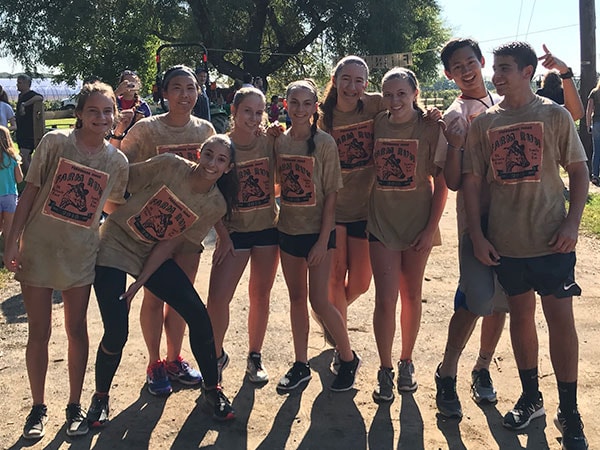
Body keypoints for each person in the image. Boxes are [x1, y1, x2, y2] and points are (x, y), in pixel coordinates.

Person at [435, 39, 586, 420]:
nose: (490, 74)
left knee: (540, 317)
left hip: (548, 239)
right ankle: (461, 375)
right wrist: (479, 235)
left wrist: (572, 222)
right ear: (449, 73)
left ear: (526, 72)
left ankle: (561, 407)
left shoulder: (550, 114)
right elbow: (462, 181)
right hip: (492, 235)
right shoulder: (468, 118)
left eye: (500, 67)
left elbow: (577, 161)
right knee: (484, 304)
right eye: (458, 65)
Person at [3, 81, 129, 439]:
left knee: (77, 330)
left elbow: (113, 207)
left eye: (107, 112)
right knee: (38, 331)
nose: (101, 118)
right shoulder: (55, 144)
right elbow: (28, 193)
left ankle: (74, 405)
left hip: (81, 254)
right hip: (40, 248)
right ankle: (37, 407)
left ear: (115, 116)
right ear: (79, 113)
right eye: (93, 110)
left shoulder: (116, 161)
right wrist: (13, 243)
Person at [88, 134, 238, 426]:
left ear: (228, 168)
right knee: (117, 330)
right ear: (198, 153)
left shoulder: (214, 205)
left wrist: (139, 283)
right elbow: (122, 182)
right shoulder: (170, 166)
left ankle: (212, 389)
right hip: (115, 244)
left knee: (198, 315)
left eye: (221, 159)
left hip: (151, 253)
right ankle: (100, 397)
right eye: (208, 154)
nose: (212, 163)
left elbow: (168, 244)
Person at [110, 65, 215, 396]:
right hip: (151, 232)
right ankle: (155, 363)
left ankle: (174, 359)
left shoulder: (206, 130)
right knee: (154, 298)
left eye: (191, 88)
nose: (185, 95)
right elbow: (119, 170)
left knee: (183, 299)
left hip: (188, 234)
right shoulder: (146, 131)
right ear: (164, 93)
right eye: (177, 88)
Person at [275, 79, 361, 393]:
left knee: (320, 301)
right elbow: (276, 184)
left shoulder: (324, 143)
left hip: (318, 234)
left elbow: (331, 197)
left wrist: (323, 241)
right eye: (293, 102)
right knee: (296, 299)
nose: (300, 109)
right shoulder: (280, 142)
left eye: (306, 103)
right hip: (288, 231)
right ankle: (301, 364)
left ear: (315, 107)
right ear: (286, 105)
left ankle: (348, 357)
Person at [369, 68, 448, 402]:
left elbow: (441, 183)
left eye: (402, 93)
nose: (395, 100)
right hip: (381, 221)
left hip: (417, 221)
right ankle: (385, 369)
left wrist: (431, 230)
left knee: (411, 295)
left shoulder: (430, 127)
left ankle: (406, 361)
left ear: (415, 92)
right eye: (388, 94)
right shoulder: (377, 122)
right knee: (385, 298)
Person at [207, 87, 278, 384]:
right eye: (247, 111)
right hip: (233, 233)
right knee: (217, 300)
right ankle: (216, 356)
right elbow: (207, 193)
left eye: (259, 112)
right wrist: (222, 234)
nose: (253, 117)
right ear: (234, 111)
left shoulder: (271, 142)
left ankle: (255, 356)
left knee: (260, 295)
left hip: (266, 230)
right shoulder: (222, 146)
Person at [316, 56, 381, 362]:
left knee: (361, 283)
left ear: (366, 85)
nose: (352, 86)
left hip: (367, 209)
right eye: (346, 79)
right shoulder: (324, 118)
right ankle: (343, 350)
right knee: (334, 277)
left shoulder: (376, 106)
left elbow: (406, 106)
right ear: (335, 80)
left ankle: (329, 313)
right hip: (334, 209)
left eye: (359, 81)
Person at [15, 75, 43, 174]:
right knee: (27, 156)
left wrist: (24, 104)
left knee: (23, 155)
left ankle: (29, 177)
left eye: (20, 83)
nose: (17, 85)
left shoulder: (31, 95)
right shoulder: (20, 96)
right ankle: (31, 176)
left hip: (28, 131)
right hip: (21, 130)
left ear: (27, 84)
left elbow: (40, 97)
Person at [112, 70, 152, 139]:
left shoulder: (142, 105)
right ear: (121, 85)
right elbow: (101, 105)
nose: (131, 85)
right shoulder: (114, 101)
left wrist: (143, 122)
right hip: (114, 139)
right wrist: (117, 91)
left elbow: (151, 127)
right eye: (127, 83)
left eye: (134, 83)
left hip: (135, 142)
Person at [0, 126, 23, 241]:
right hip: (10, 195)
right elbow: (19, 179)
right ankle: (9, 253)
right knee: (9, 228)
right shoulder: (12, 158)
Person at [586, 79, 600, 186]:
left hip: (596, 124)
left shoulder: (594, 92)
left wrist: (588, 125)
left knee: (596, 150)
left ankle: (595, 175)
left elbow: (589, 110)